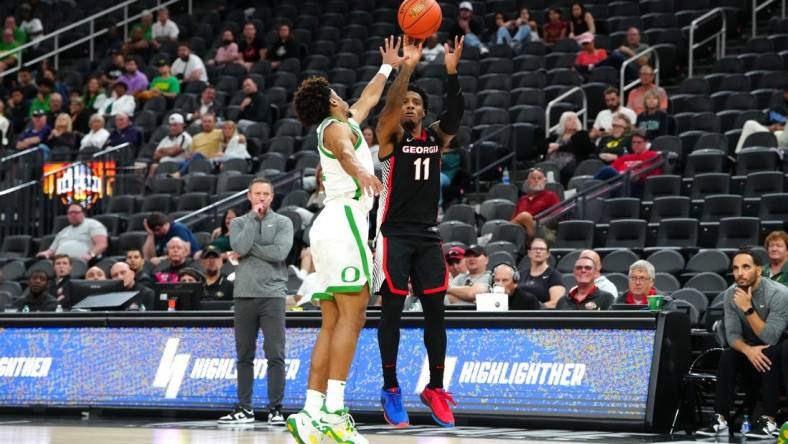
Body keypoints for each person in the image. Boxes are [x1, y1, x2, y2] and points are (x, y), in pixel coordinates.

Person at [286, 36, 399, 444]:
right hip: (345, 219)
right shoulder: (335, 129)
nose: (342, 95)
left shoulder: (344, 119)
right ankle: (335, 412)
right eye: (335, 92)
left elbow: (369, 98)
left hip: (329, 226)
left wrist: (387, 67)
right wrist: (361, 173)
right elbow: (346, 152)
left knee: (332, 321)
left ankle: (311, 411)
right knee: (354, 317)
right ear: (331, 100)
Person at [373, 36, 464, 429]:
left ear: (424, 113)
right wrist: (405, 68)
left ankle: (436, 388)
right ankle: (391, 387)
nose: (410, 105)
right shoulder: (390, 139)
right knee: (391, 311)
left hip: (428, 235)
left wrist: (451, 72)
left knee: (436, 314)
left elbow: (456, 115)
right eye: (406, 102)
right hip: (392, 233)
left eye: (416, 103)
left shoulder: (436, 139)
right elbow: (388, 110)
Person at [218, 178, 293, 425]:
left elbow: (279, 253)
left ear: (272, 197)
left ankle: (275, 409)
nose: (261, 198)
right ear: (249, 196)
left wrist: (248, 250)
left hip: (272, 295)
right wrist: (251, 225)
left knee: (275, 354)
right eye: (257, 193)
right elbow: (239, 244)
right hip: (244, 295)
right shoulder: (240, 222)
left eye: (266, 194)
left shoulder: (283, 222)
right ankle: (245, 409)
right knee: (244, 355)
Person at [695, 249, 788, 439]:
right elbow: (732, 335)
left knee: (770, 351)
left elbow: (771, 337)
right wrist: (748, 350)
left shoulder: (779, 294)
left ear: (759, 270)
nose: (740, 273)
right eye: (736, 268)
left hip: (778, 349)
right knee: (729, 354)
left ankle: (768, 421)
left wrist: (747, 308)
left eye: (746, 267)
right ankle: (720, 419)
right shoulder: (730, 295)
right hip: (750, 350)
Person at [592, 130, 663, 195]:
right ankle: (589, 191)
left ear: (646, 143)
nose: (636, 145)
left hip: (636, 186)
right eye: (634, 142)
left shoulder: (652, 155)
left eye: (639, 142)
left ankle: (587, 191)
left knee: (607, 170)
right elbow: (612, 169)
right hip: (619, 184)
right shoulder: (625, 157)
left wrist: (635, 175)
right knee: (606, 171)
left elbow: (652, 175)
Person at [36, 203, 107, 261]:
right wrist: (45, 253)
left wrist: (91, 255)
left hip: (83, 262)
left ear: (83, 214)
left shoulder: (93, 224)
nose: (73, 215)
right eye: (70, 213)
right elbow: (51, 251)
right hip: (60, 263)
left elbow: (102, 244)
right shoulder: (63, 231)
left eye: (76, 212)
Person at [541, 111, 595, 185]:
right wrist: (548, 147)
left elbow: (578, 148)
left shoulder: (582, 134)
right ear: (563, 122)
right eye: (569, 119)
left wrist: (558, 147)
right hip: (552, 163)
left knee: (564, 171)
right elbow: (542, 147)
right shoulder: (556, 136)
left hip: (573, 164)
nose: (573, 121)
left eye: (575, 119)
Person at [511, 167, 561, 238]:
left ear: (544, 181)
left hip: (544, 231)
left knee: (525, 216)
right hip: (522, 232)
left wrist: (538, 222)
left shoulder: (550, 195)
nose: (536, 180)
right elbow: (515, 219)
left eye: (539, 178)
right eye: (533, 178)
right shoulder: (522, 199)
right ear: (528, 182)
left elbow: (558, 215)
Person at [517, 238, 564, 308]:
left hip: (542, 316)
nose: (538, 251)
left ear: (548, 254)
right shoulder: (520, 275)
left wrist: (533, 309)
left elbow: (556, 303)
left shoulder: (554, 275)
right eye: (535, 249)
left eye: (542, 249)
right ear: (529, 253)